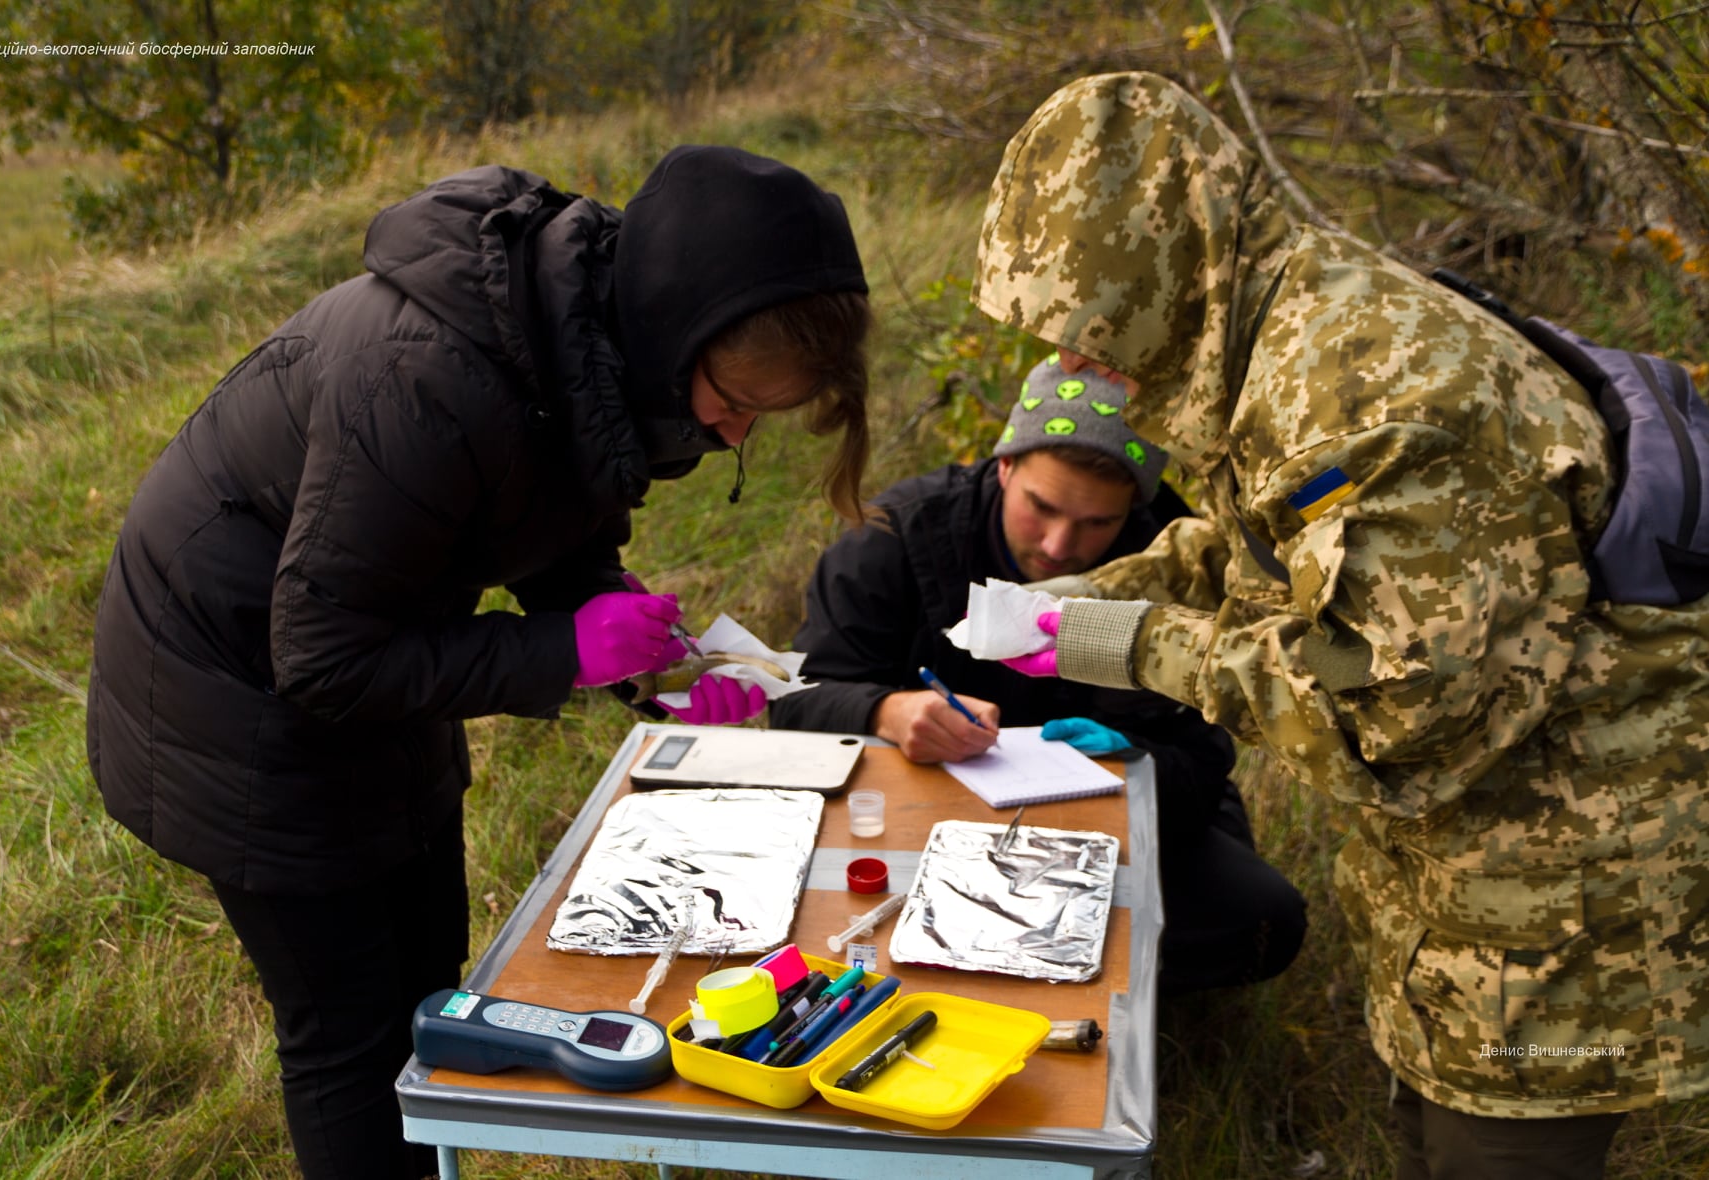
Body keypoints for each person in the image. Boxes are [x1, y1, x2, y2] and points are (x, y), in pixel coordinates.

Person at [85, 145, 873, 1179]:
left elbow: (545, 508)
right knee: (349, 1029)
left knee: (430, 989)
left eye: (759, 415)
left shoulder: (584, 346)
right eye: (733, 399)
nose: (732, 432)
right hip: (229, 693)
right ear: (672, 324)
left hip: (375, 651)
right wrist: (565, 647)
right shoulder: (422, 376)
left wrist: (643, 658)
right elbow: (323, 659)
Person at [974, 72, 1709, 1178]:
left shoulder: (1361, 391)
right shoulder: (1277, 333)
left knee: (1490, 1152)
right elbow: (1273, 545)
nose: (1072, 362)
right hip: (1474, 875)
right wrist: (1103, 590)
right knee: (1430, 1131)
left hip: (1569, 884)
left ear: (1170, 265)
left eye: (1088, 322)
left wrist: (1123, 641)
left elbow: (1391, 701)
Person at [770, 357, 1307, 996]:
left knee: (1262, 922)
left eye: (1097, 524)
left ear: (1135, 507)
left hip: (1104, 822)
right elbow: (796, 701)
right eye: (1041, 507)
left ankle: (1101, 987)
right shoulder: (893, 537)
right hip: (918, 810)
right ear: (1004, 466)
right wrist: (885, 711)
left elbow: (1205, 760)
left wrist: (1136, 759)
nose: (1058, 545)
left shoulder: (1180, 558)